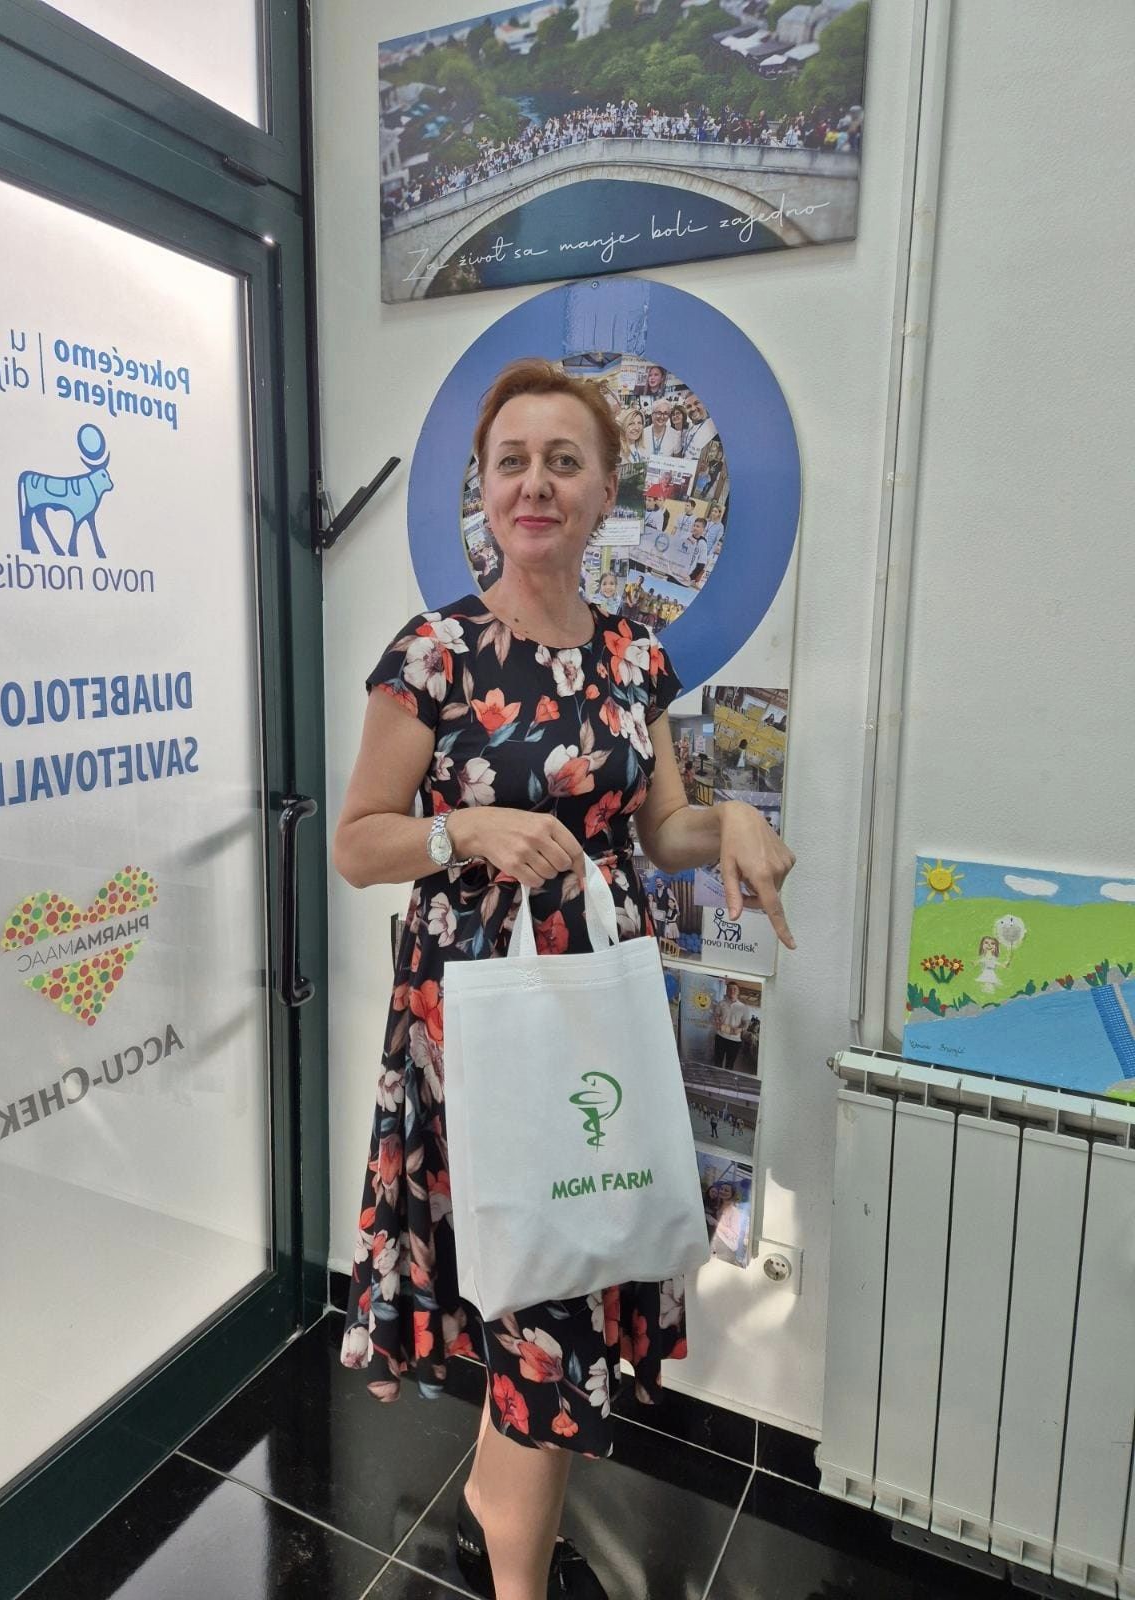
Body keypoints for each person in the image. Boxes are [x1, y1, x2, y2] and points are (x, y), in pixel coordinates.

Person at [333, 356, 795, 1600]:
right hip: (476, 1018)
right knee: (541, 1287)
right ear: (483, 491)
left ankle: (501, 1502)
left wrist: (736, 825)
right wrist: (465, 830)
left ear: (604, 493)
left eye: (563, 461)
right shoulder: (434, 654)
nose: (534, 483)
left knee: (565, 1257)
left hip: (593, 1002)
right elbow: (358, 843)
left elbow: (664, 829)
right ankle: (516, 1565)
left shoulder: (636, 658)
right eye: (511, 462)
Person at [713, 980, 751, 1072]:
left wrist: (740, 1029)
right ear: (726, 991)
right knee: (717, 1062)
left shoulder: (743, 1007)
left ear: (738, 992)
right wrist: (717, 1021)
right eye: (729, 989)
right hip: (720, 1036)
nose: (732, 991)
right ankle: (715, 1078)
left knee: (730, 1065)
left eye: (734, 989)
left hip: (735, 1040)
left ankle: (726, 1079)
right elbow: (716, 1015)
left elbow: (746, 1023)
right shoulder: (721, 1003)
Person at [680, 392, 717, 459]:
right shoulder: (691, 427)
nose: (693, 409)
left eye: (696, 403)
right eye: (689, 406)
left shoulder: (713, 428)